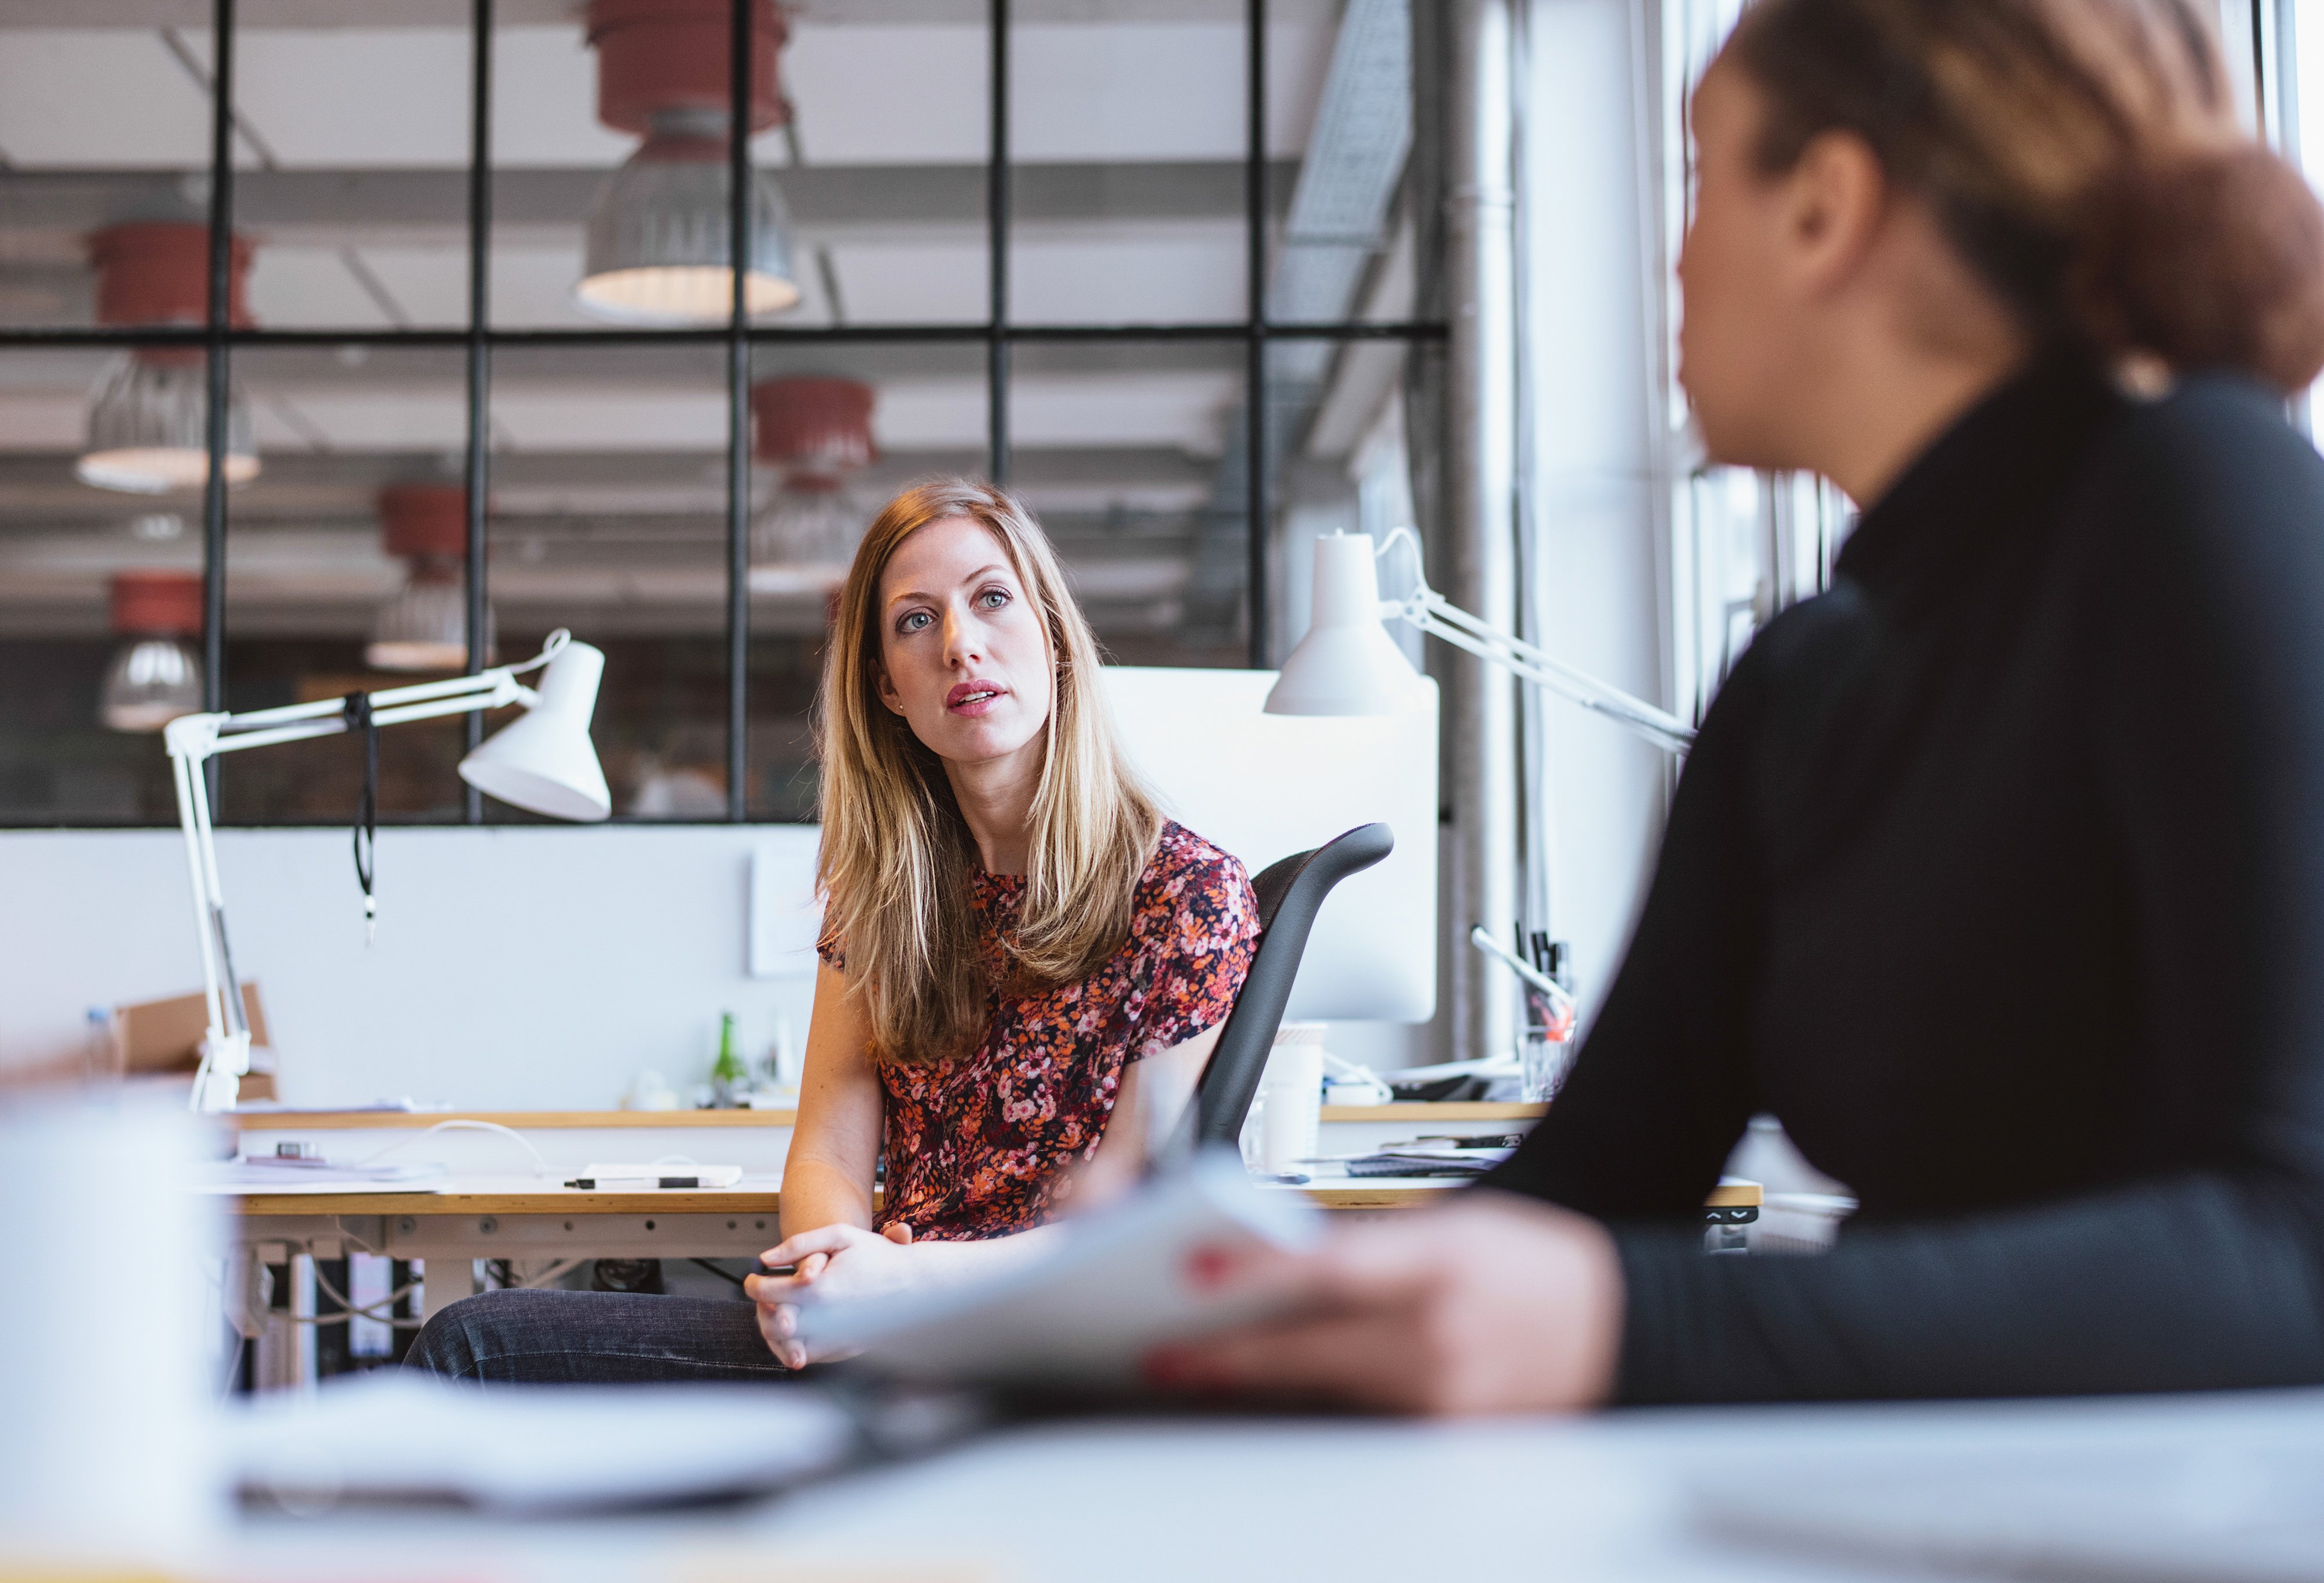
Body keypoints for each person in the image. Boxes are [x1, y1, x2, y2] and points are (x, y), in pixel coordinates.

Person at [1150, 0, 2324, 1413]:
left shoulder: (2201, 496)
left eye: (1702, 180)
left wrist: (1628, 1327)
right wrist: (1173, 1307)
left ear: (1825, 209)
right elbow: (1585, 1199)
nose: (1674, 253)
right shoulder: (1802, 682)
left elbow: (2291, 1252)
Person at [408, 480, 1258, 1382]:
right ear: (887, 689)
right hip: (886, 1337)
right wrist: (829, 1273)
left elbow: (1129, 1223)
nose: (961, 644)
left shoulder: (1188, 892)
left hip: (1050, 1346)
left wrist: (909, 1282)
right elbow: (826, 1148)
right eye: (915, 622)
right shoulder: (886, 895)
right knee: (472, 1342)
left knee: (468, 1351)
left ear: (1053, 639)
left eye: (992, 599)